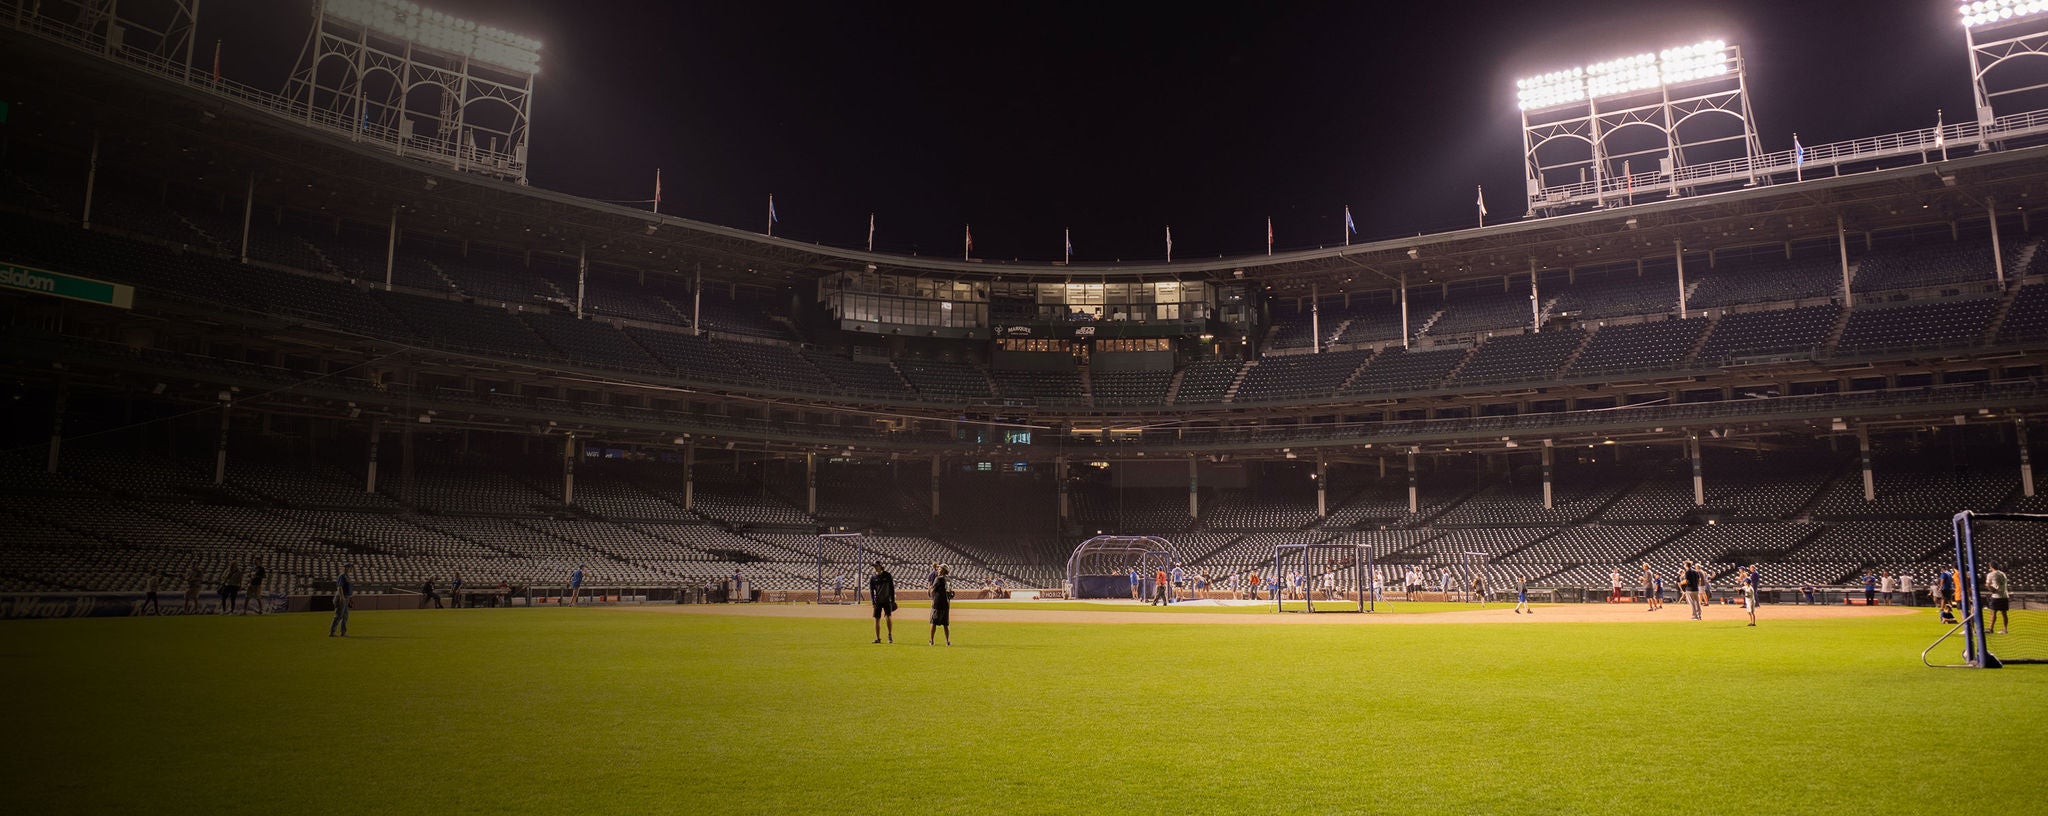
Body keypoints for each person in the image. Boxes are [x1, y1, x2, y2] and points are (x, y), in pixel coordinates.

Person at [868, 561, 897, 643]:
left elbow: (892, 588)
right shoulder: (873, 577)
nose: (875, 567)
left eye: (876, 566)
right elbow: (871, 590)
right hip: (878, 601)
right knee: (876, 619)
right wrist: (873, 601)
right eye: (874, 566)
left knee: (888, 617)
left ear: (881, 566)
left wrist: (893, 600)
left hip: (887, 600)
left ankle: (890, 635)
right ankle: (878, 638)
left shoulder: (887, 575)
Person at [928, 564, 953, 646]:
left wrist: (932, 595)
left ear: (943, 570)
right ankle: (947, 641)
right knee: (945, 624)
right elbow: (951, 593)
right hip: (946, 604)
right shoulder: (949, 580)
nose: (938, 569)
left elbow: (933, 591)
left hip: (938, 603)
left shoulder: (938, 578)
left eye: (940, 568)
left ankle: (931, 640)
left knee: (933, 622)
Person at [1986, 562, 2012, 635]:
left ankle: (1991, 629)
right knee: (2004, 613)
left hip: (1996, 596)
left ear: (1991, 567)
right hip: (2005, 596)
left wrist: (1988, 587)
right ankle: (2005, 629)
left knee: (1993, 613)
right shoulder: (2003, 574)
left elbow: (1990, 587)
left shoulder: (1990, 574)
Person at [329, 564, 354, 637]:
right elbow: (339, 587)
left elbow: (348, 588)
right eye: (347, 567)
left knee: (345, 616)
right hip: (341, 597)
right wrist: (342, 597)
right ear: (344, 568)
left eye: (349, 567)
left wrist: (350, 597)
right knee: (338, 615)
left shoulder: (347, 577)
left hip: (347, 597)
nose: (348, 569)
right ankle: (332, 632)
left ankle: (343, 632)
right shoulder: (342, 576)